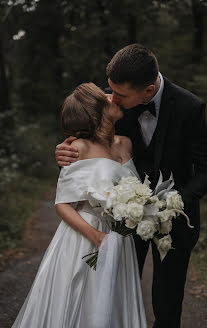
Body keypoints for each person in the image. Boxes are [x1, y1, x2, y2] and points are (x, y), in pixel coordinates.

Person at [55, 44, 207, 328]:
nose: (111, 99)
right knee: (115, 292)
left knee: (167, 303)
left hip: (174, 221)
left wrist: (174, 203)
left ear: (147, 90)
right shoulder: (116, 98)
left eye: (119, 95)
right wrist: (64, 149)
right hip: (121, 219)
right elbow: (86, 131)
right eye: (110, 90)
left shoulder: (189, 107)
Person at [12, 83, 147, 328]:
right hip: (86, 236)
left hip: (120, 239)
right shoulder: (78, 148)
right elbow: (63, 205)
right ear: (96, 113)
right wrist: (98, 238)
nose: (112, 97)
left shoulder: (125, 143)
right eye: (105, 96)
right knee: (83, 298)